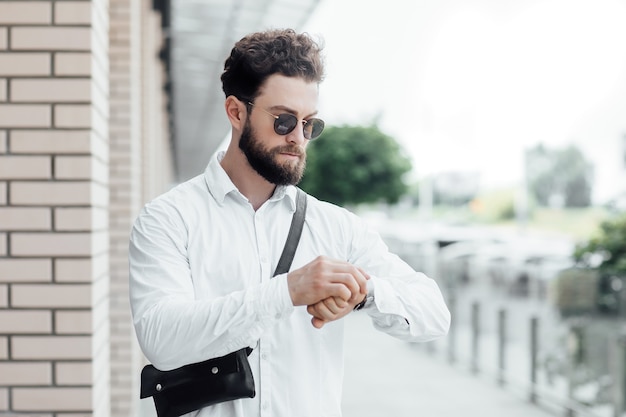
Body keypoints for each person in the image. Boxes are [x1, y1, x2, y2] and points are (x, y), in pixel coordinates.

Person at [129, 28, 450, 417]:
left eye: (310, 124)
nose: (298, 138)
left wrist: (363, 293)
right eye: (284, 121)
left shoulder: (336, 227)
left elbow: (434, 314)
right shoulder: (168, 219)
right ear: (236, 112)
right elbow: (162, 338)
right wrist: (288, 291)